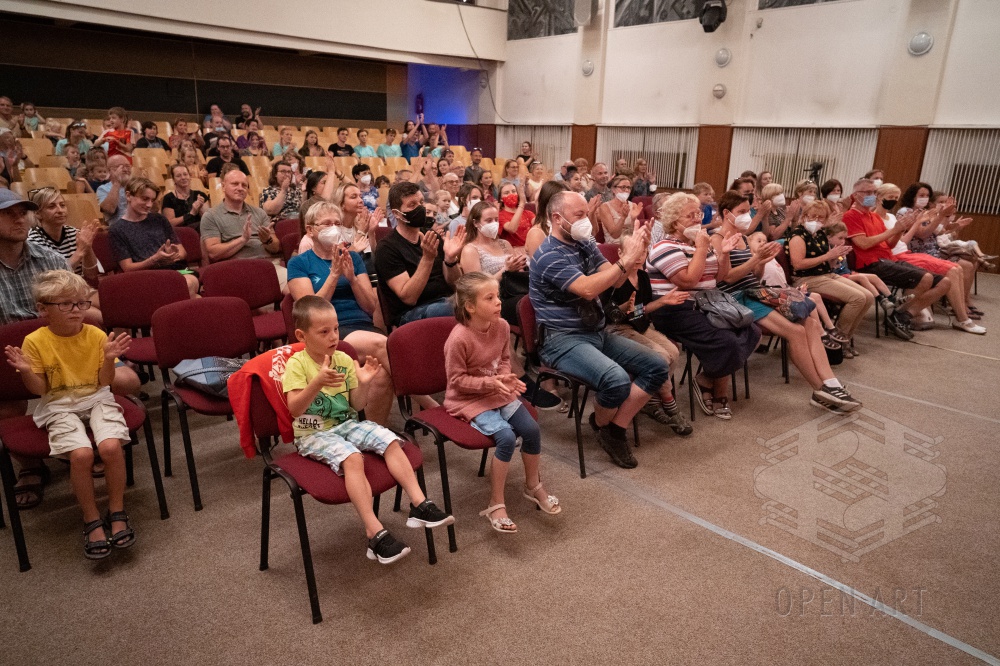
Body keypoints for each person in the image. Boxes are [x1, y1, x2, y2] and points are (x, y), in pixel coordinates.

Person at [283, 295, 454, 564]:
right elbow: (294, 409)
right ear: (301, 336)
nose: (334, 336)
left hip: (346, 424)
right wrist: (317, 382)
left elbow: (358, 404)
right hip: (312, 432)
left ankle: (419, 505)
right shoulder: (297, 364)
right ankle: (374, 532)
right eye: (324, 332)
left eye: (336, 329)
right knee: (352, 458)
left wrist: (363, 382)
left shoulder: (342, 358)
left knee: (390, 440)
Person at [529, 191, 667, 468]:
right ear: (557, 218)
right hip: (561, 339)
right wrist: (624, 262)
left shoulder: (584, 242)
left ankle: (612, 428)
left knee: (657, 366)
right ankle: (607, 428)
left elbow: (614, 281)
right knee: (616, 380)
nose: (586, 220)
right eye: (579, 215)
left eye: (586, 213)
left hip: (594, 331)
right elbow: (588, 289)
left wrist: (634, 255)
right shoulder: (548, 255)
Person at [4, 270, 135, 559]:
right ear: (43, 309)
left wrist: (109, 359)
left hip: (96, 397)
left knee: (110, 447)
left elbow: (104, 382)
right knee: (81, 455)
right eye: (65, 304)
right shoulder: (34, 341)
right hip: (58, 403)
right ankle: (91, 517)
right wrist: (26, 371)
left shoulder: (95, 334)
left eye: (81, 303)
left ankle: (116, 510)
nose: (76, 310)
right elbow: (40, 389)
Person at [712, 192, 862, 411]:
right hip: (735, 298)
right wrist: (756, 258)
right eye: (741, 212)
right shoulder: (717, 239)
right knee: (796, 332)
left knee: (811, 324)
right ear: (726, 213)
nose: (746, 216)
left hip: (755, 292)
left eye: (747, 211)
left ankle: (831, 383)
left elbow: (755, 276)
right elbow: (726, 278)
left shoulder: (743, 238)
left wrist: (762, 261)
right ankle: (819, 389)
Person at [444, 272, 559, 534]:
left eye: (497, 296)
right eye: (490, 298)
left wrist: (505, 377)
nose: (498, 302)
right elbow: (456, 381)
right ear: (470, 307)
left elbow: (504, 359)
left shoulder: (502, 326)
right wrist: (491, 383)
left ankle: (533, 485)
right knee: (506, 437)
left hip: (496, 390)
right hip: (467, 399)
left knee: (531, 430)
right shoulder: (459, 338)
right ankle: (496, 502)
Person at [645, 192, 761, 419]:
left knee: (752, 331)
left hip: (707, 304)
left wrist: (723, 254)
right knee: (727, 341)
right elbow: (688, 281)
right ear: (674, 222)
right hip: (674, 310)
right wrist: (700, 248)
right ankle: (717, 392)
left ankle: (705, 378)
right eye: (690, 216)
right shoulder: (664, 247)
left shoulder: (700, 244)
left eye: (698, 214)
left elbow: (720, 277)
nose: (697, 219)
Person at [287, 203, 394, 424]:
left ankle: (373, 431)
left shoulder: (352, 257)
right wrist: (334, 275)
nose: (334, 228)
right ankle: (421, 396)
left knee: (381, 374)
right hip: (328, 331)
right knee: (383, 345)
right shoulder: (299, 263)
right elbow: (310, 311)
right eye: (327, 224)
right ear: (310, 230)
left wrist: (352, 278)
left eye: (337, 223)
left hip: (362, 325)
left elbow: (370, 306)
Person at [843, 179, 984, 335]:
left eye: (873, 192)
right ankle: (898, 316)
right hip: (870, 263)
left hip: (888, 258)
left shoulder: (873, 217)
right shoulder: (851, 216)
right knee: (926, 278)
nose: (872, 196)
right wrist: (894, 230)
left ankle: (901, 314)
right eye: (868, 192)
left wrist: (900, 230)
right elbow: (863, 244)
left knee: (945, 283)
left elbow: (889, 244)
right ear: (856, 195)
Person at [599, 233, 693, 435]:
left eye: (643, 252)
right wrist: (627, 308)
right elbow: (610, 316)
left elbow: (639, 311)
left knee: (673, 352)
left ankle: (649, 399)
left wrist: (663, 301)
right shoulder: (613, 278)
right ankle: (668, 402)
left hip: (638, 325)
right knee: (662, 356)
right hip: (617, 329)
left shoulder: (642, 276)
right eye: (634, 252)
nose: (639, 256)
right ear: (621, 253)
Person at [786, 199, 886, 342]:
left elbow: (829, 263)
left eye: (821, 217)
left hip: (827, 274)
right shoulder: (798, 235)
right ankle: (838, 335)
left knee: (868, 296)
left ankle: (846, 337)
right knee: (857, 298)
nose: (816, 220)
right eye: (812, 216)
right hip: (807, 278)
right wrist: (828, 256)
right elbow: (798, 264)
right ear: (805, 216)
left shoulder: (820, 234)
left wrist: (837, 255)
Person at [375, 182, 464, 327]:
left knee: (482, 298)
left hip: (445, 300)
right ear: (397, 214)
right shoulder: (386, 248)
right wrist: (427, 259)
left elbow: (456, 285)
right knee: (456, 308)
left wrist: (450, 260)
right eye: (412, 205)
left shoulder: (432, 235)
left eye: (421, 202)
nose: (420, 208)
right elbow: (409, 297)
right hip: (411, 313)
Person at [108, 178, 199, 297]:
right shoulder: (117, 229)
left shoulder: (159, 219)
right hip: (145, 276)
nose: (149, 205)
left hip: (175, 270)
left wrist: (172, 256)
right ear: (129, 196)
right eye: (145, 199)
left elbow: (182, 252)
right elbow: (128, 268)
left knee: (189, 283)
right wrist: (155, 259)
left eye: (152, 200)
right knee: (187, 291)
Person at [201, 169, 287, 290]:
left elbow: (276, 247)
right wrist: (242, 240)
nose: (240, 188)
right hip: (235, 269)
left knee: (297, 284)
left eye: (244, 185)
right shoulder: (211, 215)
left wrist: (267, 240)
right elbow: (213, 253)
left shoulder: (259, 213)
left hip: (266, 265)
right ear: (223, 186)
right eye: (235, 184)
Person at [460, 201, 526, 325]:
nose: (494, 224)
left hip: (514, 290)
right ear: (475, 223)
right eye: (489, 221)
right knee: (526, 303)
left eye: (496, 220)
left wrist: (520, 265)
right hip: (492, 300)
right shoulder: (470, 249)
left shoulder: (504, 243)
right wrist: (505, 269)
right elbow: (476, 288)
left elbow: (518, 274)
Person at [26, 187, 101, 282]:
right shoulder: (32, 241)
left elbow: (92, 275)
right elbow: (52, 281)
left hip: (78, 287)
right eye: (51, 207)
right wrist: (80, 251)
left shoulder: (75, 233)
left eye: (62, 205)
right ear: (38, 214)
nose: (60, 210)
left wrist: (88, 247)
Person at [595, 175, 643, 245]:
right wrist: (623, 217)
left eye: (628, 187)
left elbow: (634, 234)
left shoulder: (633, 206)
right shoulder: (605, 207)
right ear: (613, 190)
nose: (626, 190)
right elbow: (614, 235)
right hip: (613, 245)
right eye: (623, 187)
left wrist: (633, 219)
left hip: (629, 244)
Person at [162, 164, 208, 230]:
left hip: (200, 230)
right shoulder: (168, 198)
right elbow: (170, 223)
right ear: (173, 179)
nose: (183, 178)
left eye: (185, 174)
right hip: (180, 231)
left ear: (189, 176)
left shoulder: (200, 195)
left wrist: (201, 209)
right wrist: (191, 213)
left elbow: (209, 219)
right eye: (178, 176)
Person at [97, 154, 132, 224]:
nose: (125, 170)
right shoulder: (103, 189)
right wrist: (117, 182)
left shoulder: (137, 185)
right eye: (119, 167)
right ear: (109, 171)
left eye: (127, 166)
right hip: (119, 225)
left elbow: (153, 209)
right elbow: (109, 209)